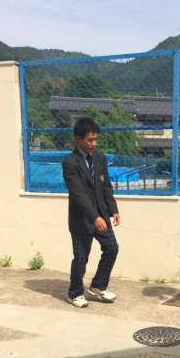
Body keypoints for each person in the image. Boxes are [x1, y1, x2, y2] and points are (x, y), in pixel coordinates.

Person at [62, 117, 120, 308]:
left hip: (101, 215)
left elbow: (106, 186)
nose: (94, 143)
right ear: (79, 139)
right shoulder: (70, 163)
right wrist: (94, 217)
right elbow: (78, 194)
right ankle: (75, 293)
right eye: (90, 140)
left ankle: (98, 286)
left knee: (111, 248)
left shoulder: (99, 158)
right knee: (81, 258)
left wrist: (113, 210)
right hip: (82, 219)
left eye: (95, 139)